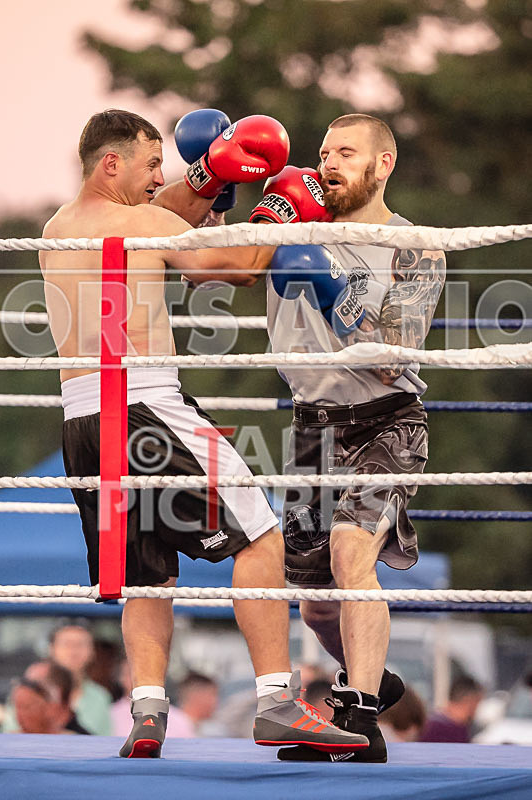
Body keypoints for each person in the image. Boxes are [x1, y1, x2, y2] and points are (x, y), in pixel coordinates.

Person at [40, 108, 371, 759]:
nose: (156, 178)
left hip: (81, 421)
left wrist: (207, 176)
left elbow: (161, 213)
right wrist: (282, 209)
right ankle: (276, 702)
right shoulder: (141, 222)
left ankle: (147, 714)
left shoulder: (60, 227)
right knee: (261, 534)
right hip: (144, 406)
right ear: (112, 163)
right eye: (149, 164)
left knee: (147, 575)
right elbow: (233, 265)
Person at [250, 113, 446, 762]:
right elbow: (210, 270)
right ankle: (376, 679)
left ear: (382, 164)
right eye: (323, 151)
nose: (328, 162)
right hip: (312, 428)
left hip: (386, 419)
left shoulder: (412, 245)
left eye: (346, 151)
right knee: (316, 608)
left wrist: (332, 288)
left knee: (349, 553)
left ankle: (359, 716)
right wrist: (213, 184)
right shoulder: (288, 225)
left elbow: (393, 357)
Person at [11, 660, 89, 735]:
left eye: (27, 706)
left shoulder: (82, 740)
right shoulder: (13, 738)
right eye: (19, 706)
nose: (19, 715)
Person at [419, 675, 484, 743]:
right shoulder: (438, 728)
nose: (478, 709)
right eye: (478, 703)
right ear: (471, 702)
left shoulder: (431, 722)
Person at [166, 671, 219, 738]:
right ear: (199, 696)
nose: (216, 701)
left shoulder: (185, 725)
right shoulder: (172, 723)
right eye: (213, 695)